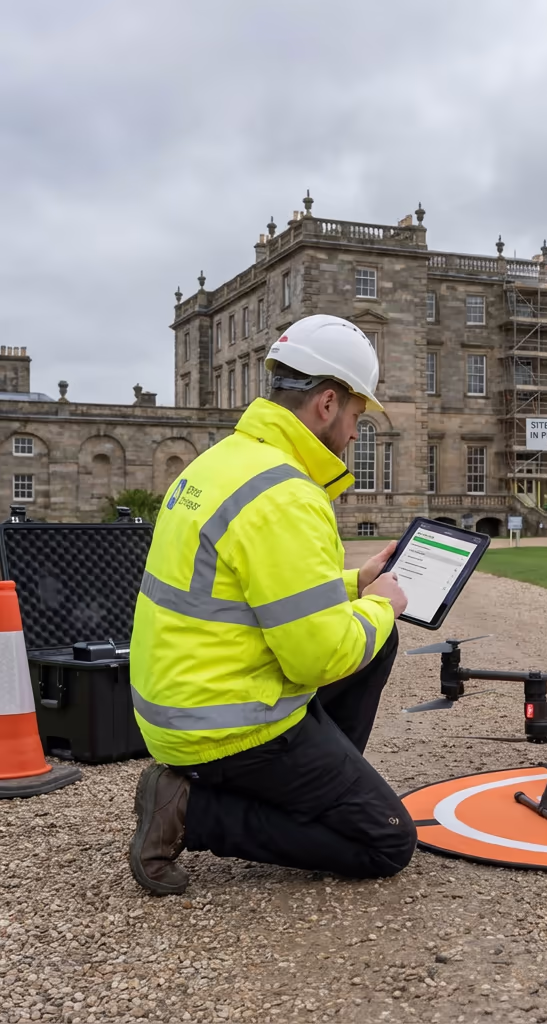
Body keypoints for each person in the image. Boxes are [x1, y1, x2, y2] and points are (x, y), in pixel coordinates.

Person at [128, 314, 416, 896]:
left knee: (377, 639)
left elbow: (256, 592)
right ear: (327, 403)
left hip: (183, 703)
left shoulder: (225, 460)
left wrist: (358, 583)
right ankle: (192, 809)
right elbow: (319, 658)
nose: (357, 434)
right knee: (385, 840)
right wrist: (382, 605)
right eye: (358, 416)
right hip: (226, 723)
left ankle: (306, 787)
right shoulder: (285, 494)